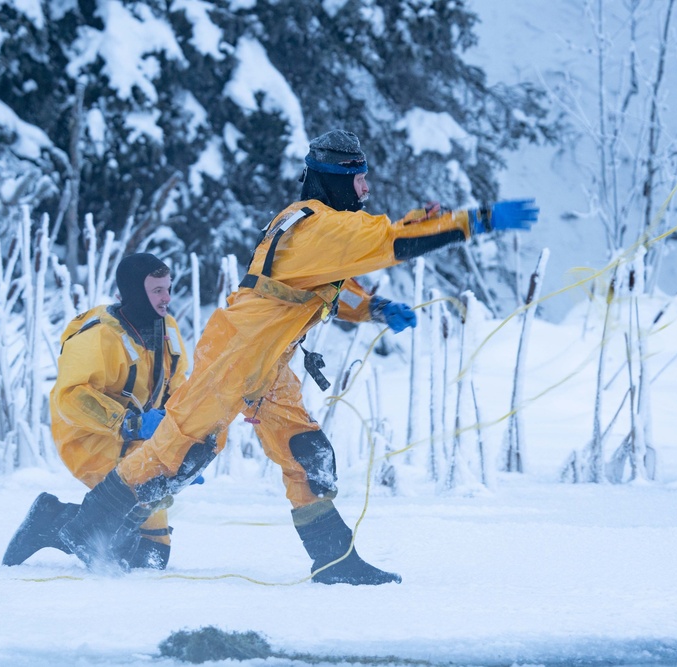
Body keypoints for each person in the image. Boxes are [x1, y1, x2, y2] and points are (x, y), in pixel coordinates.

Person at [57, 129, 538, 585]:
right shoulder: (317, 225)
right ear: (336, 179)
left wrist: (371, 307)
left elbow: (327, 277)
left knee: (309, 454)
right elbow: (389, 243)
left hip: (266, 361)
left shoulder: (315, 223)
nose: (365, 188)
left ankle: (335, 560)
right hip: (234, 355)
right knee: (179, 454)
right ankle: (81, 528)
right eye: (359, 179)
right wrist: (477, 221)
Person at [2, 253, 188, 570]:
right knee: (132, 547)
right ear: (134, 292)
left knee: (149, 555)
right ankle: (56, 520)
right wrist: (131, 424)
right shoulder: (99, 336)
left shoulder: (167, 329)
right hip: (88, 435)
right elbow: (72, 397)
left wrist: (184, 446)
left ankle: (56, 519)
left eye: (168, 288)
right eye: (157, 290)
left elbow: (178, 386)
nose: (167, 298)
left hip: (136, 438)